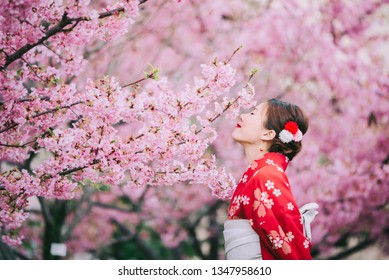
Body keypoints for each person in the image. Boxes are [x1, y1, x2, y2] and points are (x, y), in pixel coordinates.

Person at [223, 98, 318, 260]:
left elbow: (289, 246)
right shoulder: (261, 174)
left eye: (252, 113)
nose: (242, 116)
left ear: (268, 134)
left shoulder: (266, 176)